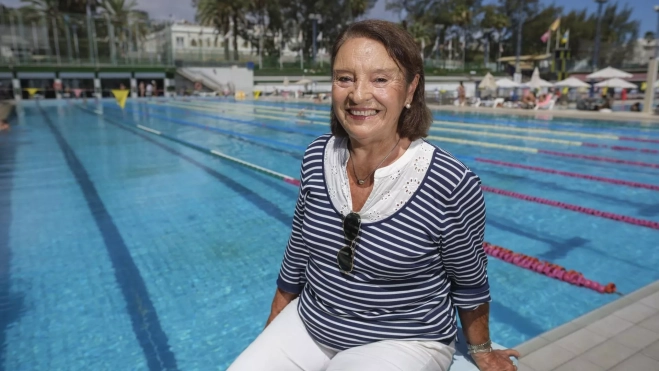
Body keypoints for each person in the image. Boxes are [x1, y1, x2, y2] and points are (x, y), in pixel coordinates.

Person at [227, 19, 519, 371]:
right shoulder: (316, 156)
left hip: (403, 338)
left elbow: (469, 279)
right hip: (314, 322)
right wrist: (273, 325)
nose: (358, 94)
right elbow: (299, 251)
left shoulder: (450, 182)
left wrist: (482, 350)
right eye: (344, 77)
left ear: (411, 90)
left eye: (380, 79)